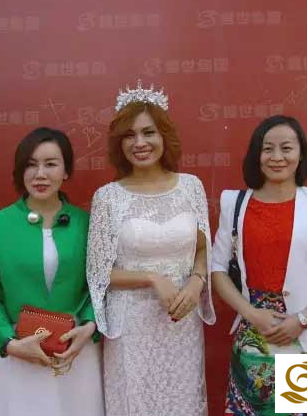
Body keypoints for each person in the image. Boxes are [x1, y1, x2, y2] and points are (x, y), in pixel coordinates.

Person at [211, 115, 307, 415]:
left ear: (301, 154)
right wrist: (252, 314)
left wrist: (301, 320)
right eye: (268, 149)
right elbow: (217, 270)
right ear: (257, 155)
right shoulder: (234, 203)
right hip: (254, 338)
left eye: (286, 148)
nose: (277, 157)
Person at [87, 83, 215, 416]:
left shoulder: (191, 187)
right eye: (129, 135)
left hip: (181, 322)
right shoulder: (108, 197)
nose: (140, 143)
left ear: (164, 136)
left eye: (148, 132)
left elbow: (203, 249)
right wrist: (152, 278)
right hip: (131, 328)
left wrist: (197, 282)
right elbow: (99, 273)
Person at [0, 127, 104, 416]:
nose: (40, 174)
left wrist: (89, 326)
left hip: (74, 352)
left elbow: (99, 285)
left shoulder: (86, 223)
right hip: (19, 352)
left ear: (66, 171)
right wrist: (10, 344)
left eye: (51, 164)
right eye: (31, 165)